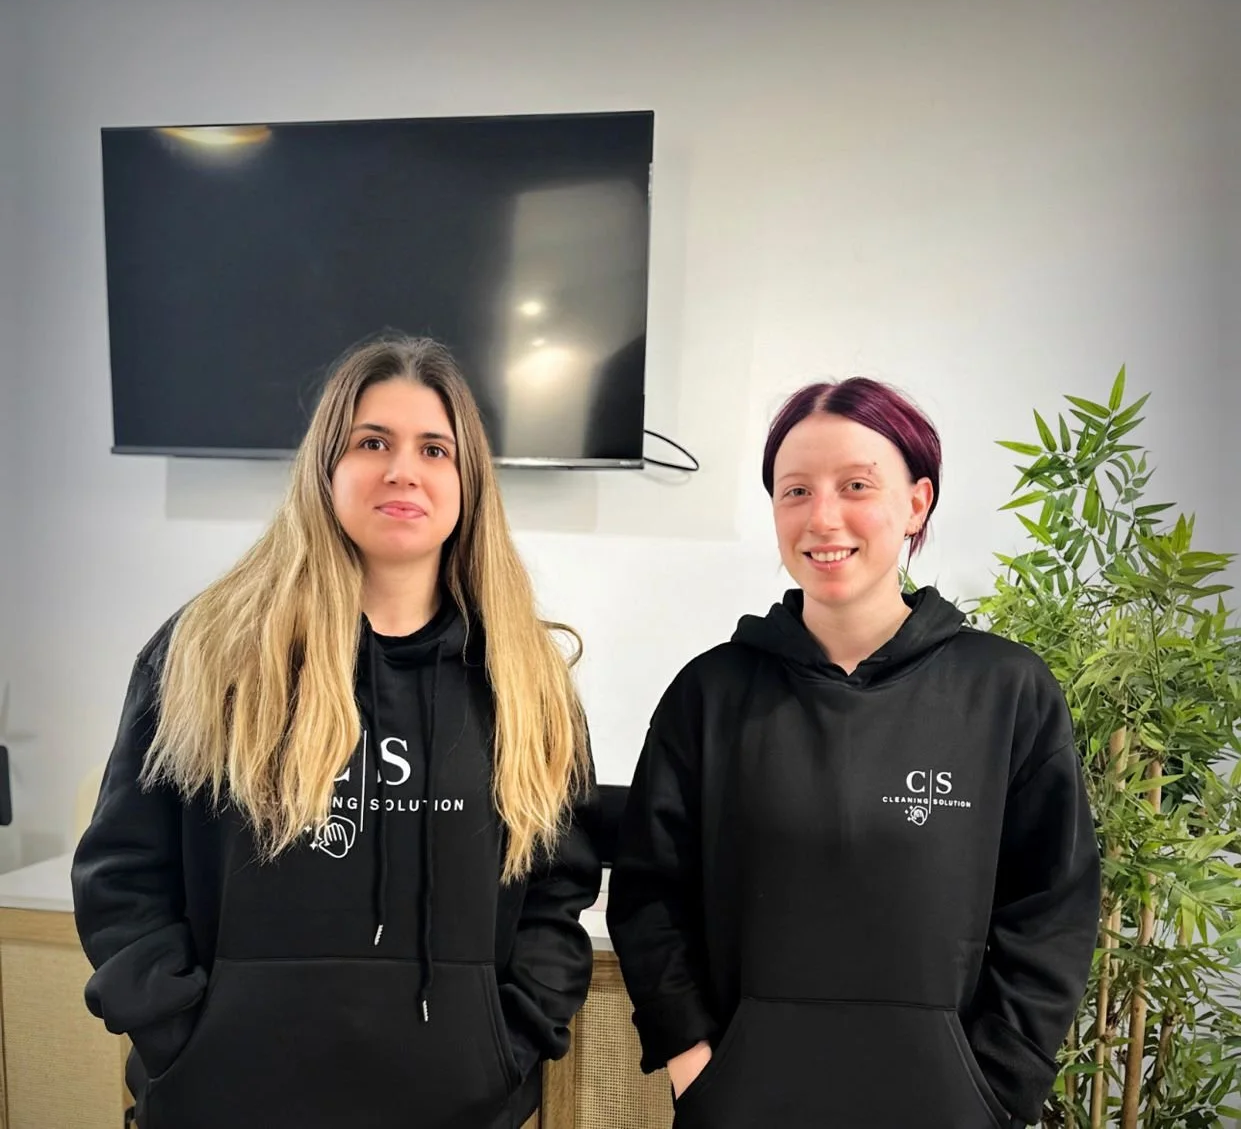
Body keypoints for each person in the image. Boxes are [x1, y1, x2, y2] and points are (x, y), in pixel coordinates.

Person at [73, 335, 601, 1129]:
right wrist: (184, 1033)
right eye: (371, 442)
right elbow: (123, 871)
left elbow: (557, 888)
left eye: (434, 448)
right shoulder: (209, 651)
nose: (402, 470)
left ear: (469, 482)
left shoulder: (527, 681)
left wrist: (509, 1041)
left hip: (452, 1106)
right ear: (326, 468)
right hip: (226, 1101)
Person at [607, 377, 1100, 1129]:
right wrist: (694, 1065)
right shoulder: (710, 693)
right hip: (742, 1106)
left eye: (856, 485)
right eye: (794, 489)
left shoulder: (1003, 691)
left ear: (916, 502)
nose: (822, 516)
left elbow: (1052, 907)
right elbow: (648, 895)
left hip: (947, 1107)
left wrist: (996, 1083)